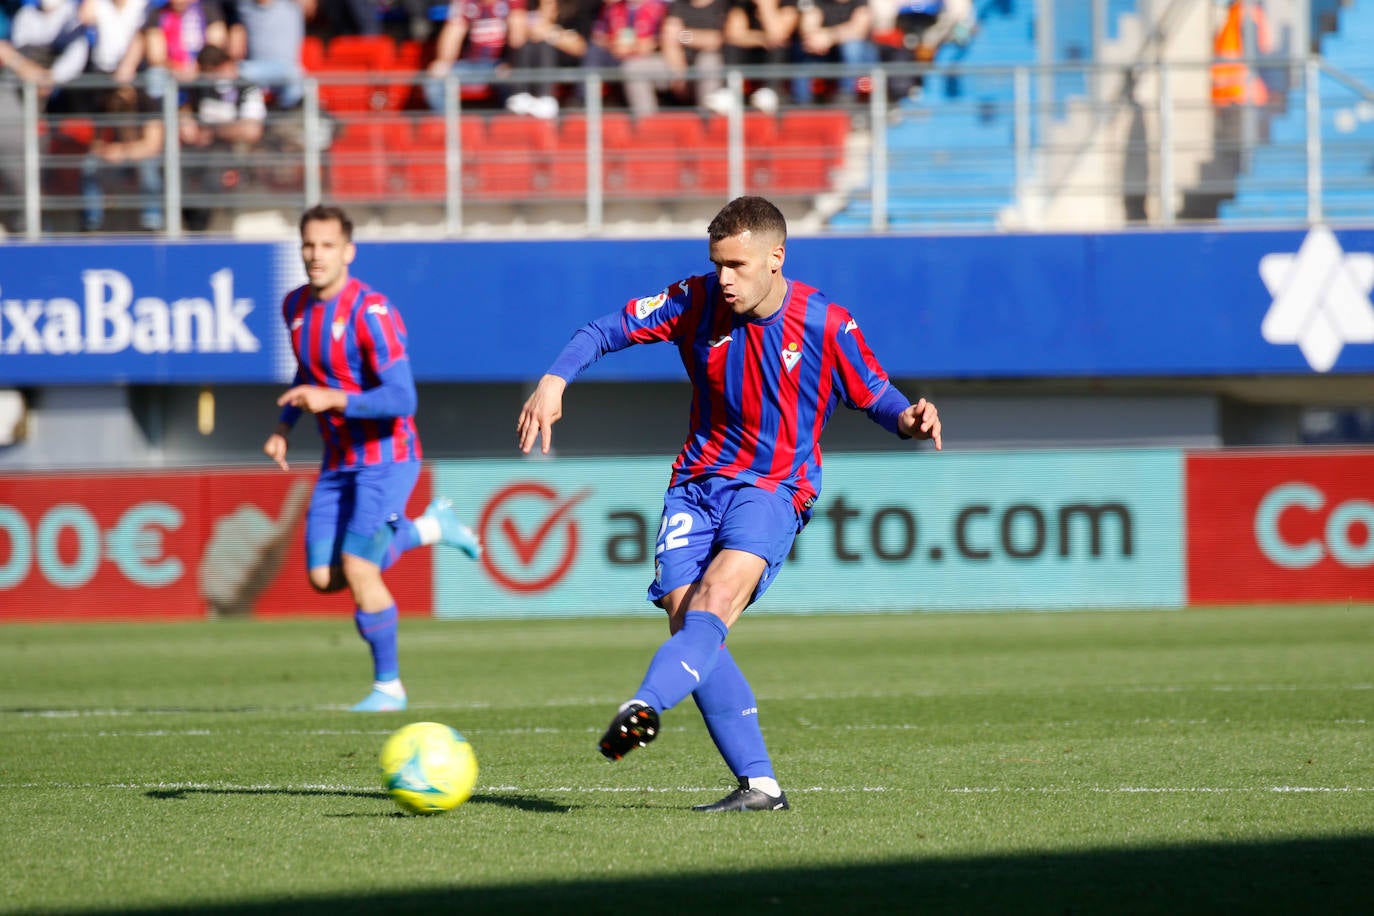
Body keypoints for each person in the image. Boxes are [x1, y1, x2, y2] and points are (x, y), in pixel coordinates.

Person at [516, 196, 942, 811]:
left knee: (715, 602)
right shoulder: (694, 300)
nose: (724, 279)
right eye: (717, 264)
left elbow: (874, 392)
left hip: (774, 488)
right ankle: (761, 785)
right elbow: (603, 330)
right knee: (690, 623)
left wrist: (909, 417)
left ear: (776, 258)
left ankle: (643, 707)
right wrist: (555, 380)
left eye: (737, 266)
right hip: (696, 483)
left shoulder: (826, 323)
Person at [265, 203, 483, 711]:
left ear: (348, 251)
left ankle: (389, 688)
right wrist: (283, 427)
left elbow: (404, 399)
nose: (316, 256)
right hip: (337, 460)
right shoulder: (294, 306)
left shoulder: (371, 311)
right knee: (324, 577)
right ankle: (431, 528)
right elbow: (307, 374)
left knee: (360, 565)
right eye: (308, 245)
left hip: (387, 456)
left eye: (327, 246)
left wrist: (335, 399)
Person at [80, 82, 165, 231]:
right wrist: (107, 151)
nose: (121, 98)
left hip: (139, 158)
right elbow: (95, 145)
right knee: (90, 164)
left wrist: (123, 150)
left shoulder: (147, 103)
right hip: (115, 161)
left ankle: (152, 220)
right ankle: (92, 221)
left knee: (149, 166)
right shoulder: (104, 104)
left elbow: (152, 146)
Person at [422, 0, 525, 113]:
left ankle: (510, 124)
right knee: (435, 81)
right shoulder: (466, 3)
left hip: (501, 64)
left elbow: (518, 39)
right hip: (472, 65)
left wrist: (511, 63)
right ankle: (448, 126)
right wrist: (443, 62)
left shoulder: (510, 3)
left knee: (515, 79)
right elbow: (452, 35)